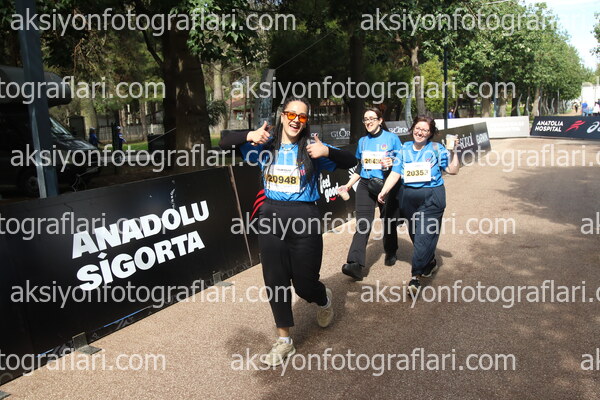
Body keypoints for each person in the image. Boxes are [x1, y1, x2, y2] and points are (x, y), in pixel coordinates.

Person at [219, 97, 355, 367]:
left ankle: (323, 298)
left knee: (305, 284)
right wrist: (249, 135)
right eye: (291, 114)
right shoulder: (264, 147)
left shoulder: (313, 148)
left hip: (304, 218)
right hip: (271, 216)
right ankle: (284, 341)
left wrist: (327, 153)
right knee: (275, 278)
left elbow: (352, 159)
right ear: (282, 116)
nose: (295, 120)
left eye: (301, 116)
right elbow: (224, 143)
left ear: (306, 121)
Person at [378, 116, 460, 297]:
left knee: (423, 236)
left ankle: (415, 277)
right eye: (418, 128)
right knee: (416, 235)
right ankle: (429, 262)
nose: (420, 132)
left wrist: (454, 151)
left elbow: (452, 170)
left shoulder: (437, 149)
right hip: (408, 198)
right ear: (412, 128)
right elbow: (395, 173)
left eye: (425, 130)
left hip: (432, 198)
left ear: (430, 133)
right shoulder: (404, 148)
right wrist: (384, 191)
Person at [339, 107, 402, 281]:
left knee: (388, 220)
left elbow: (401, 161)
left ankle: (391, 251)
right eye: (365, 119)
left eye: (372, 118)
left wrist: (392, 161)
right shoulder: (362, 141)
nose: (368, 122)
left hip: (386, 184)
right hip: (365, 184)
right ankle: (355, 264)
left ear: (380, 120)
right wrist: (348, 185)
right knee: (363, 223)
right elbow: (360, 167)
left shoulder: (392, 139)